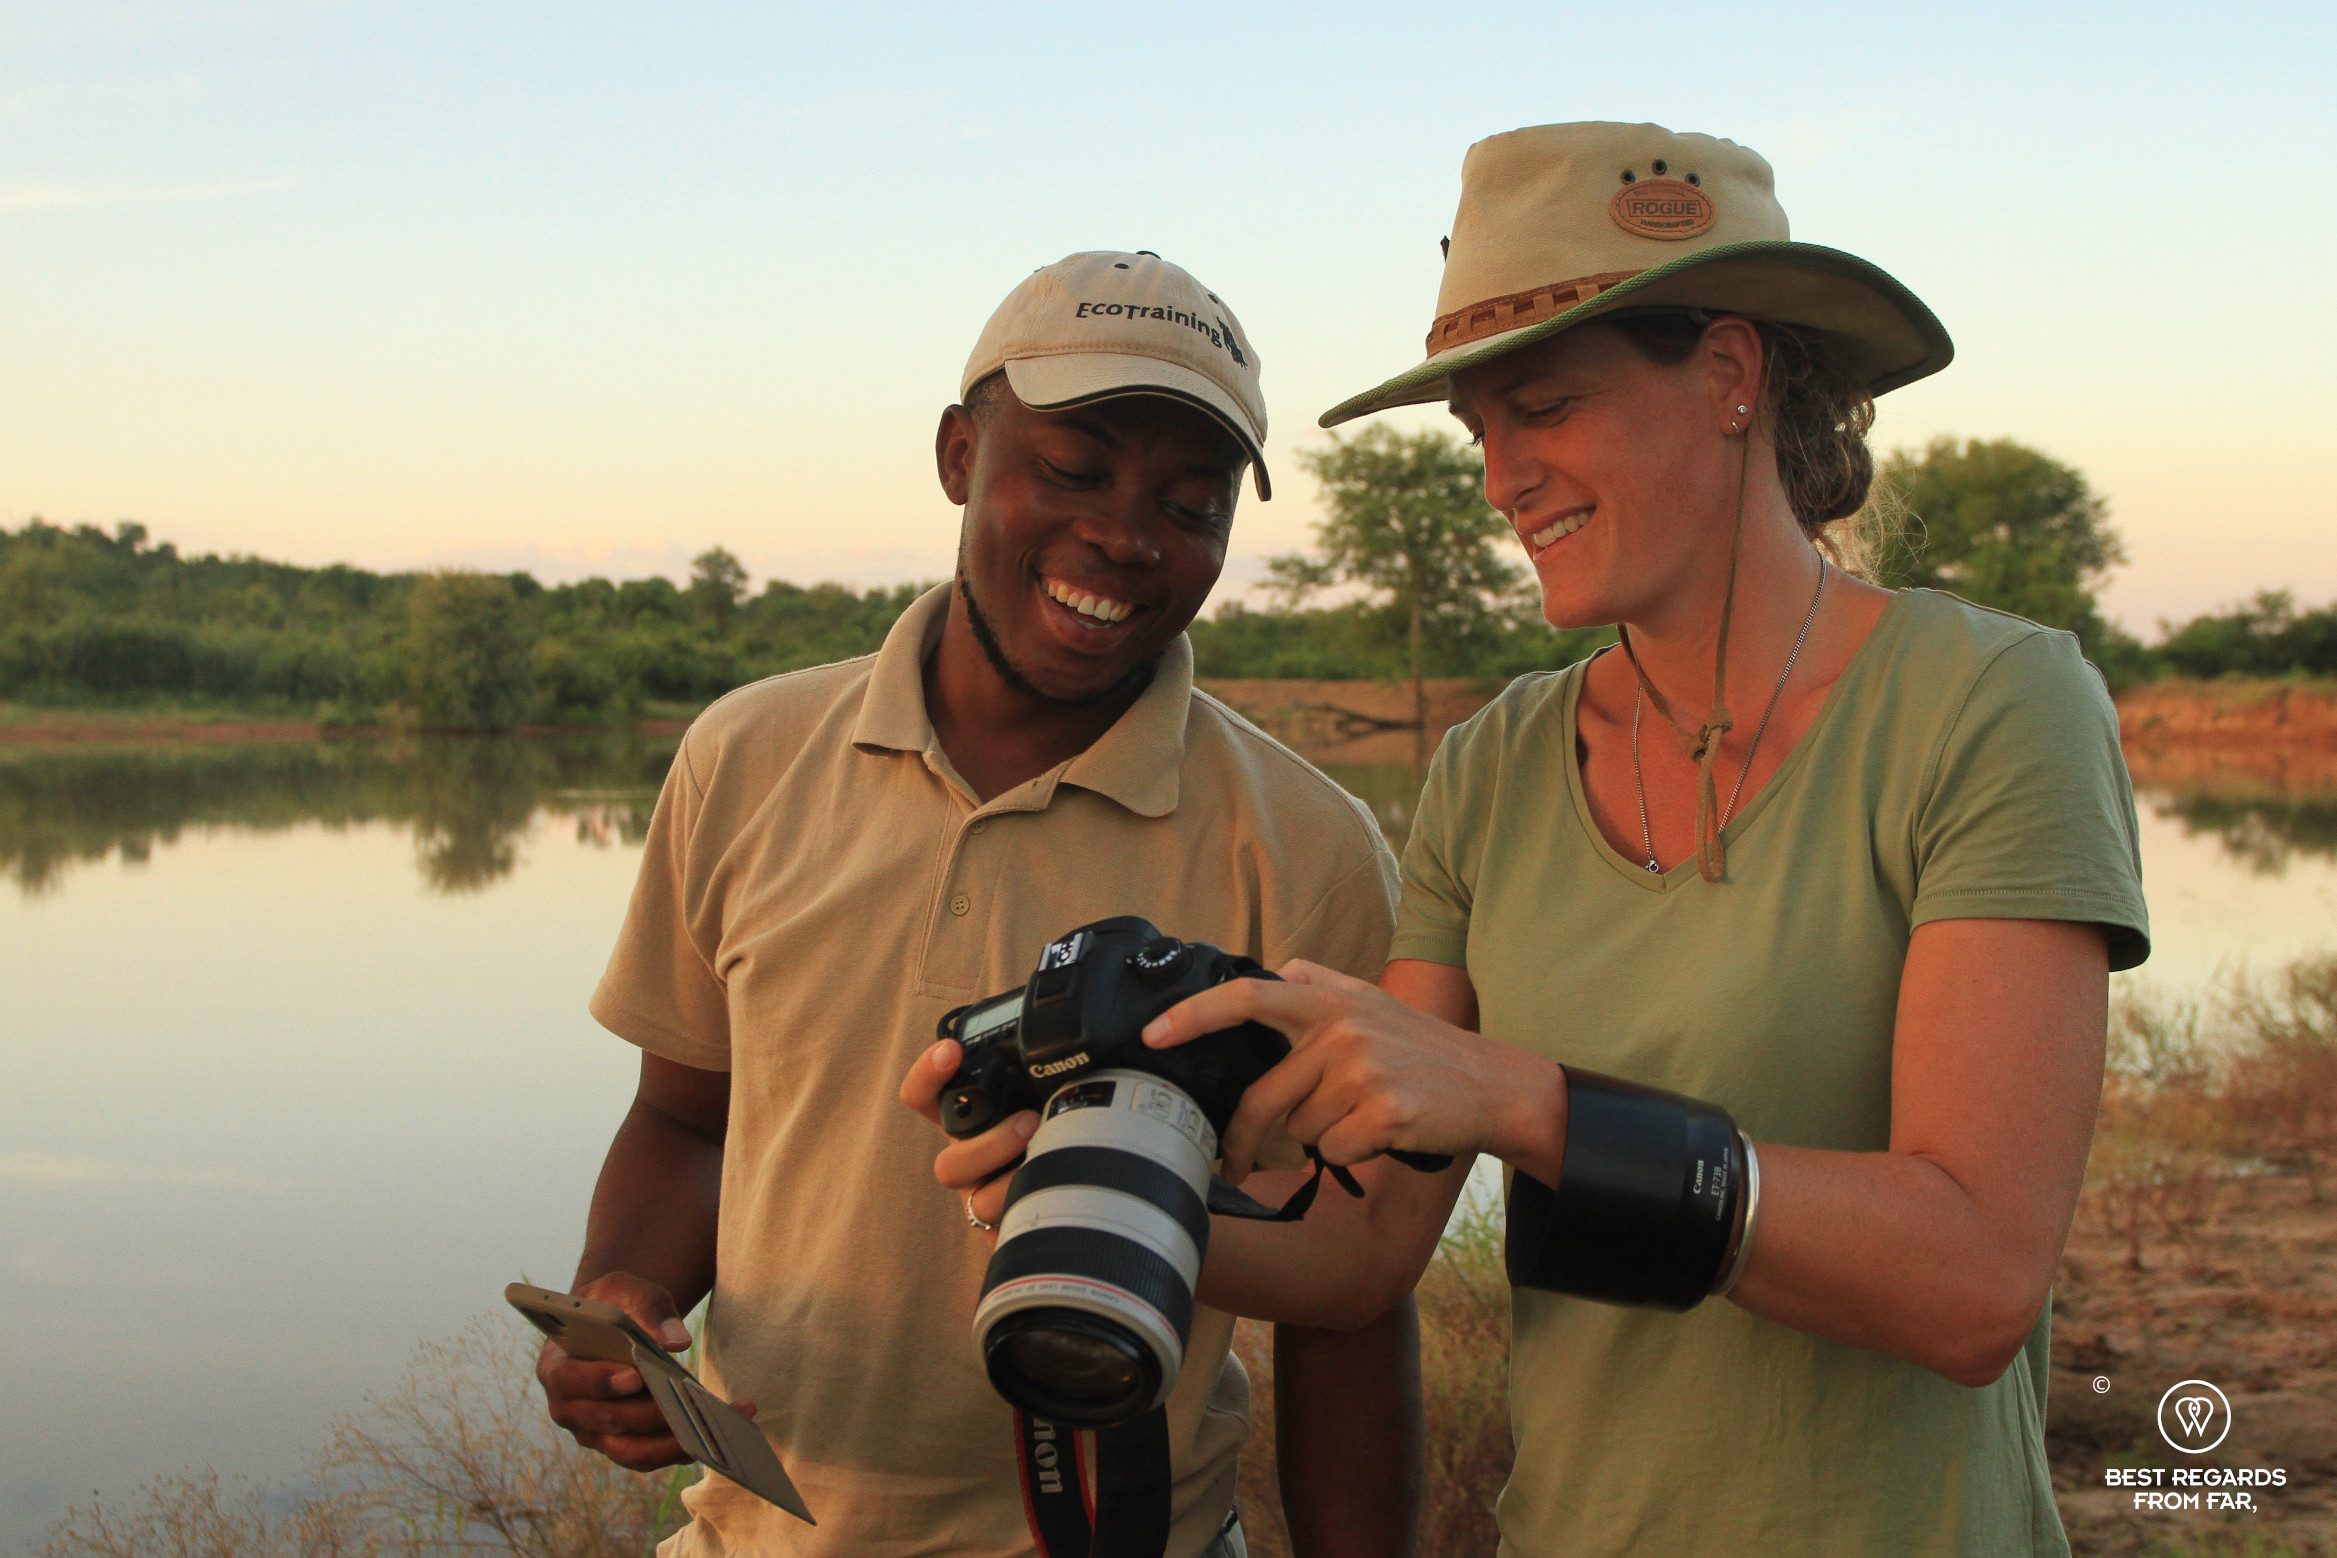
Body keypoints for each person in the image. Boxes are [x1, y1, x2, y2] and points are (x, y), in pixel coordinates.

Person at [1125, 123, 2152, 1555]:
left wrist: (1528, 1103)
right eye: (1479, 432)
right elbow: (1361, 1245)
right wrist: (1104, 1194)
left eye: (1542, 407)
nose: (1499, 478)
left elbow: (1974, 1277)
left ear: (1730, 375)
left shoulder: (1987, 703)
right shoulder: (1491, 770)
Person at [536, 250, 1422, 1558]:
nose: (1125, 536)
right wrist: (628, 1301)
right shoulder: (745, 756)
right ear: (959, 453)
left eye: (1189, 500)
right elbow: (685, 1116)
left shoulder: (1311, 848)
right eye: (1072, 471)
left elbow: (1348, 1296)